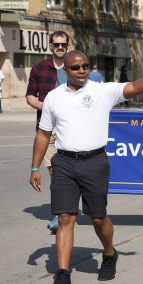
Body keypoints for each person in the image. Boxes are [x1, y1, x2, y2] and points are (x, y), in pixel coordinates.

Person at [29, 50, 143, 283]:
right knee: (66, 218)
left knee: (97, 218)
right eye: (75, 67)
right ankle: (63, 273)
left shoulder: (102, 91)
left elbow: (134, 87)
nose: (81, 70)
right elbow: (43, 134)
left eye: (85, 66)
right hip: (64, 162)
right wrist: (35, 168)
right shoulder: (54, 98)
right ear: (65, 71)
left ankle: (109, 253)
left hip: (94, 162)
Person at [25, 30, 70, 233]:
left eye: (64, 44)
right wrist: (46, 106)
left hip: (71, 129)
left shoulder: (74, 66)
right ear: (50, 46)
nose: (60, 47)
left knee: (67, 174)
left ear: (67, 46)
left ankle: (66, 211)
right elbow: (29, 97)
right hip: (48, 130)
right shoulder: (39, 68)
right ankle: (60, 215)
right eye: (57, 44)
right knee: (56, 174)